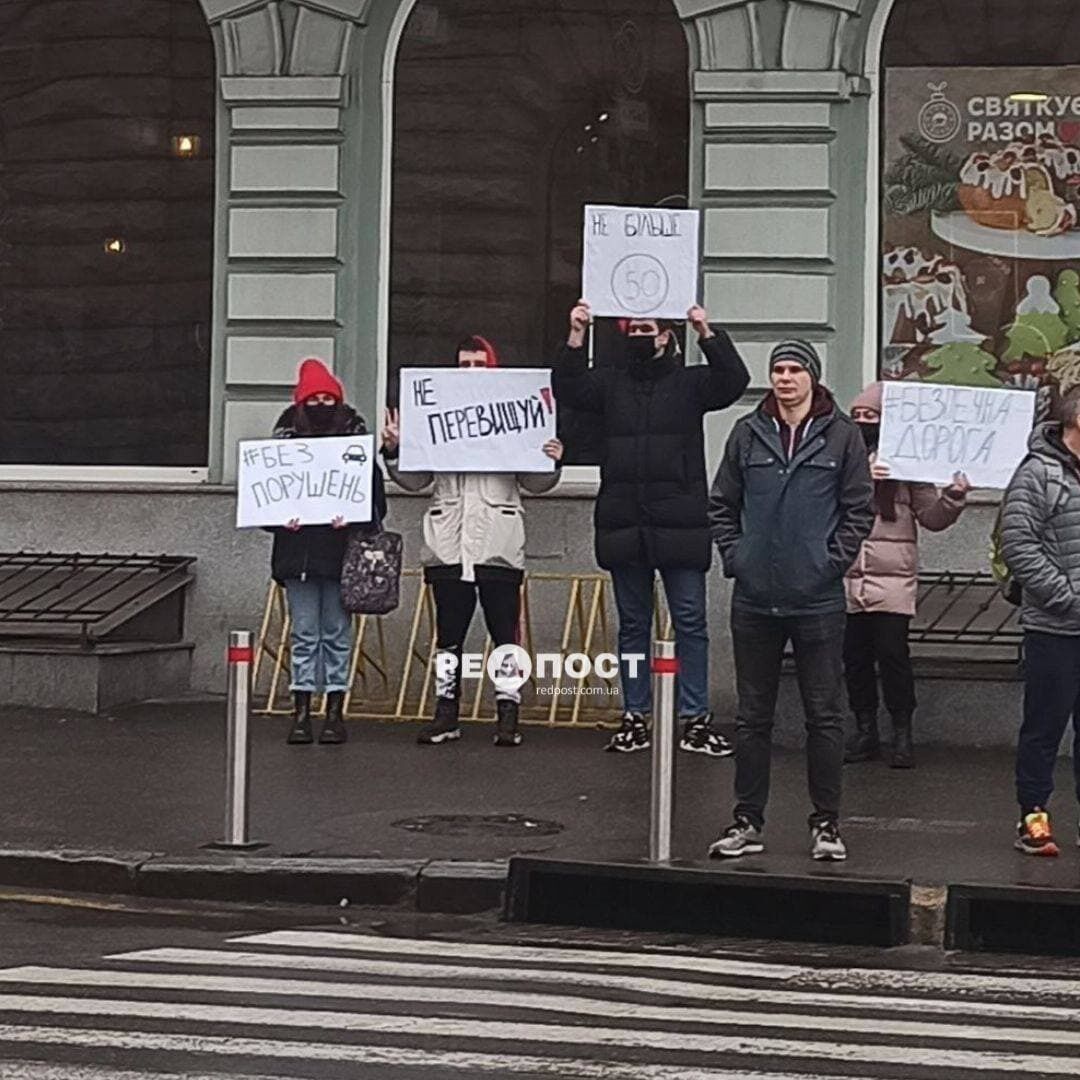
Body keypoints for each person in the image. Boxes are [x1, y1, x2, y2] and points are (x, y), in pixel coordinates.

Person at [551, 301, 750, 756]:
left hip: (679, 520)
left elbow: (733, 381)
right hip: (626, 520)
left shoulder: (689, 383)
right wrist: (576, 333)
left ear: (665, 336)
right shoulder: (611, 383)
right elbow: (568, 386)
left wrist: (706, 329)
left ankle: (695, 718)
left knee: (690, 623)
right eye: (632, 328)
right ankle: (634, 715)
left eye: (647, 328)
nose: (638, 336)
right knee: (633, 626)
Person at [707, 342, 874, 861]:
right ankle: (746, 821)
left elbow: (859, 510)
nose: (784, 378)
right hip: (755, 598)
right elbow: (721, 505)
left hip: (817, 600)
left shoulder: (842, 436)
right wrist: (739, 558)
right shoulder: (746, 433)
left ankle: (826, 824)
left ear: (813, 378)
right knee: (753, 717)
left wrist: (829, 564)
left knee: (824, 715)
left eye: (795, 369)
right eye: (778, 369)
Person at [381, 335, 562, 748]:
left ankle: (508, 712)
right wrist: (393, 451)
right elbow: (416, 480)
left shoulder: (513, 413)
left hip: (498, 541)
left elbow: (536, 483)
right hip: (448, 542)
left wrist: (551, 458)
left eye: (479, 363)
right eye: (464, 364)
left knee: (504, 636)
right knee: (448, 636)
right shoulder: (437, 415)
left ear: (492, 368)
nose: (471, 371)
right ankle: (446, 713)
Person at [843, 382, 970, 769]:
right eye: (858, 417)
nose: (864, 424)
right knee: (855, 660)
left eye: (872, 417)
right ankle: (866, 731)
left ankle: (902, 732)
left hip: (892, 580)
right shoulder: (842, 459)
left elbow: (932, 518)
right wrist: (861, 477)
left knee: (893, 656)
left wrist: (953, 498)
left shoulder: (909, 466)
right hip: (847, 578)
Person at [270, 358, 387, 747]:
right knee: (304, 633)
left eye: (328, 398)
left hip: (341, 556)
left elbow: (376, 504)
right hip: (299, 555)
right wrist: (280, 520)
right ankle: (302, 710)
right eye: (314, 398)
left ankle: (335, 710)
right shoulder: (282, 446)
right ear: (301, 403)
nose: (321, 405)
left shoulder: (355, 445)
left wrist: (353, 520)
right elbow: (265, 501)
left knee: (336, 633)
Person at [1001, 385, 1080, 857]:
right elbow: (1019, 545)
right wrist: (1067, 597)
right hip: (1054, 628)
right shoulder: (1038, 474)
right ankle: (1033, 816)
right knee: (1044, 727)